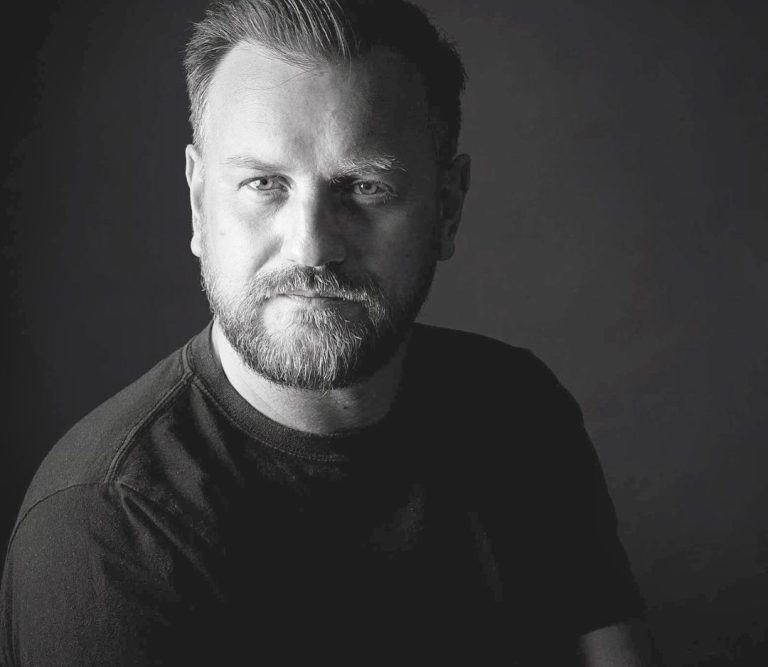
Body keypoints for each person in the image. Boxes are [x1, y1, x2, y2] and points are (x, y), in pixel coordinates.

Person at [0, 0, 654, 664]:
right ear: (199, 203)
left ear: (448, 207)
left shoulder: (519, 408)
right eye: (264, 183)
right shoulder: (107, 527)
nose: (311, 247)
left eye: (365, 186)